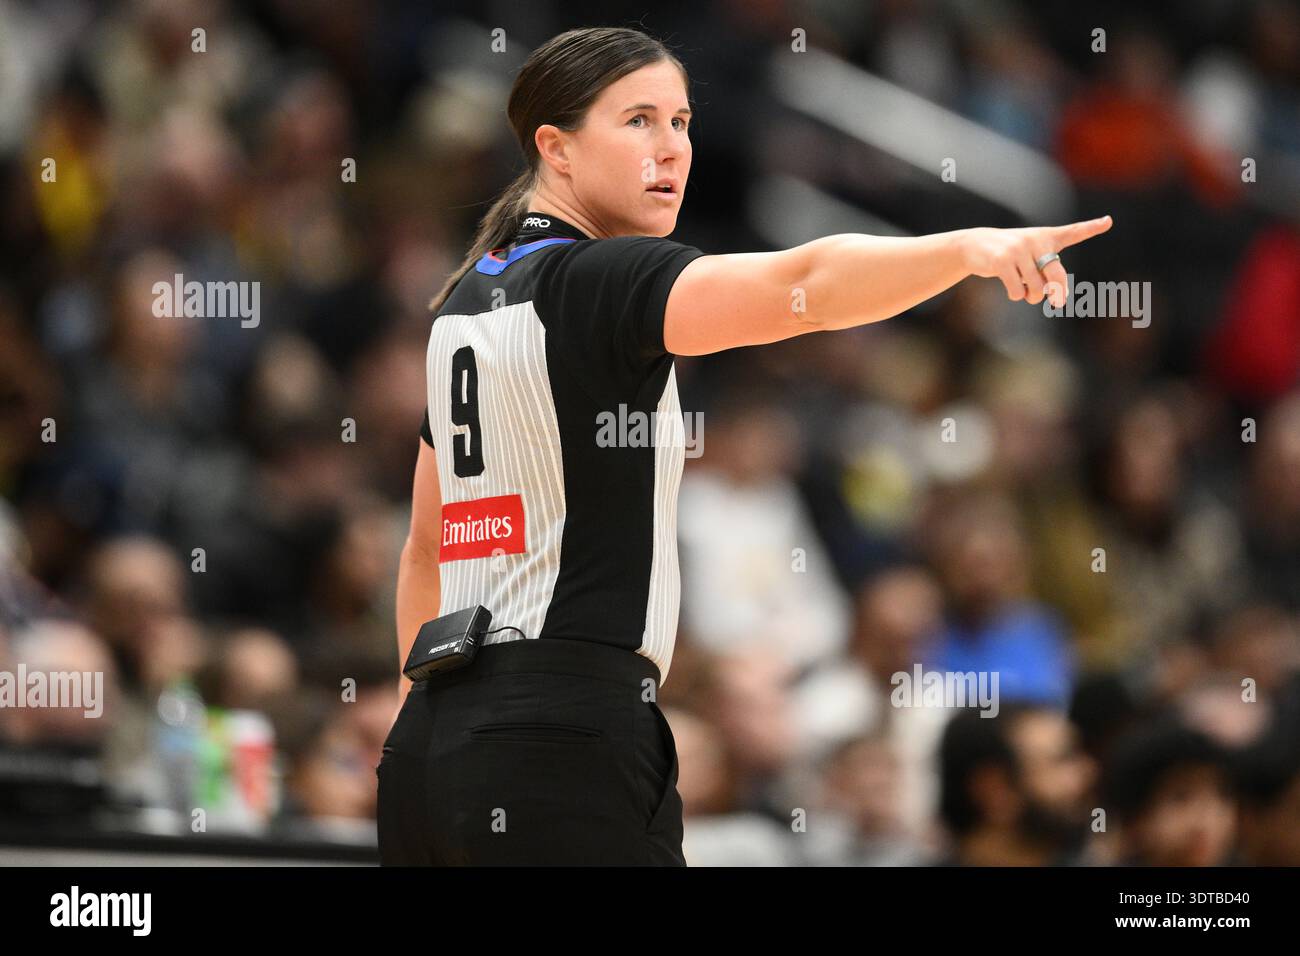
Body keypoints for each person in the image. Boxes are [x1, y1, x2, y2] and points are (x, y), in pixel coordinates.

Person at [376, 25, 1112, 866]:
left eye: (683, 123)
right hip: (565, 738)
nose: (672, 149)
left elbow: (427, 551)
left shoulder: (462, 308)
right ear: (557, 147)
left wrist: (435, 726)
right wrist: (968, 251)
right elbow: (802, 286)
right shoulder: (602, 280)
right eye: (639, 122)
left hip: (432, 749)